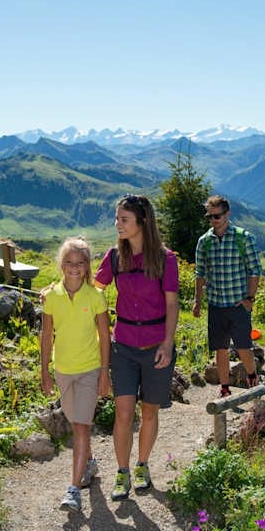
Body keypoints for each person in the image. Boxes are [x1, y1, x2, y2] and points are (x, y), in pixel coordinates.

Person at [93, 194, 179, 501]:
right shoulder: (114, 257)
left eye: (123, 219)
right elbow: (94, 290)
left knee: (150, 412)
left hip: (157, 346)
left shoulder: (165, 258)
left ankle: (142, 465)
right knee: (123, 414)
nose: (117, 224)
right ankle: (122, 472)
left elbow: (172, 303)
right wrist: (60, 291)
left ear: (142, 221)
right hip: (123, 347)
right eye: (117, 219)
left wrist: (168, 345)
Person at [40, 237, 112, 513]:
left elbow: (105, 336)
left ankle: (73, 490)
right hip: (62, 370)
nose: (74, 267)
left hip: (90, 369)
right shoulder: (51, 297)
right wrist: (45, 371)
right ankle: (90, 462)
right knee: (75, 421)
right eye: (69, 262)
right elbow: (46, 336)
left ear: (87, 266)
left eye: (80, 263)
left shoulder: (96, 296)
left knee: (81, 426)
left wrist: (105, 373)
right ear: (61, 264)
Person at [192, 195, 262, 399]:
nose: (213, 220)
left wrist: (250, 298)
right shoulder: (204, 242)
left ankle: (252, 377)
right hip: (216, 304)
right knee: (220, 349)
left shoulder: (243, 237)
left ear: (227, 214)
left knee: (243, 346)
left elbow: (254, 270)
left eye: (217, 216)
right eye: (210, 216)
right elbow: (200, 274)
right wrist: (197, 302)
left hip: (238, 304)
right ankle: (224, 389)